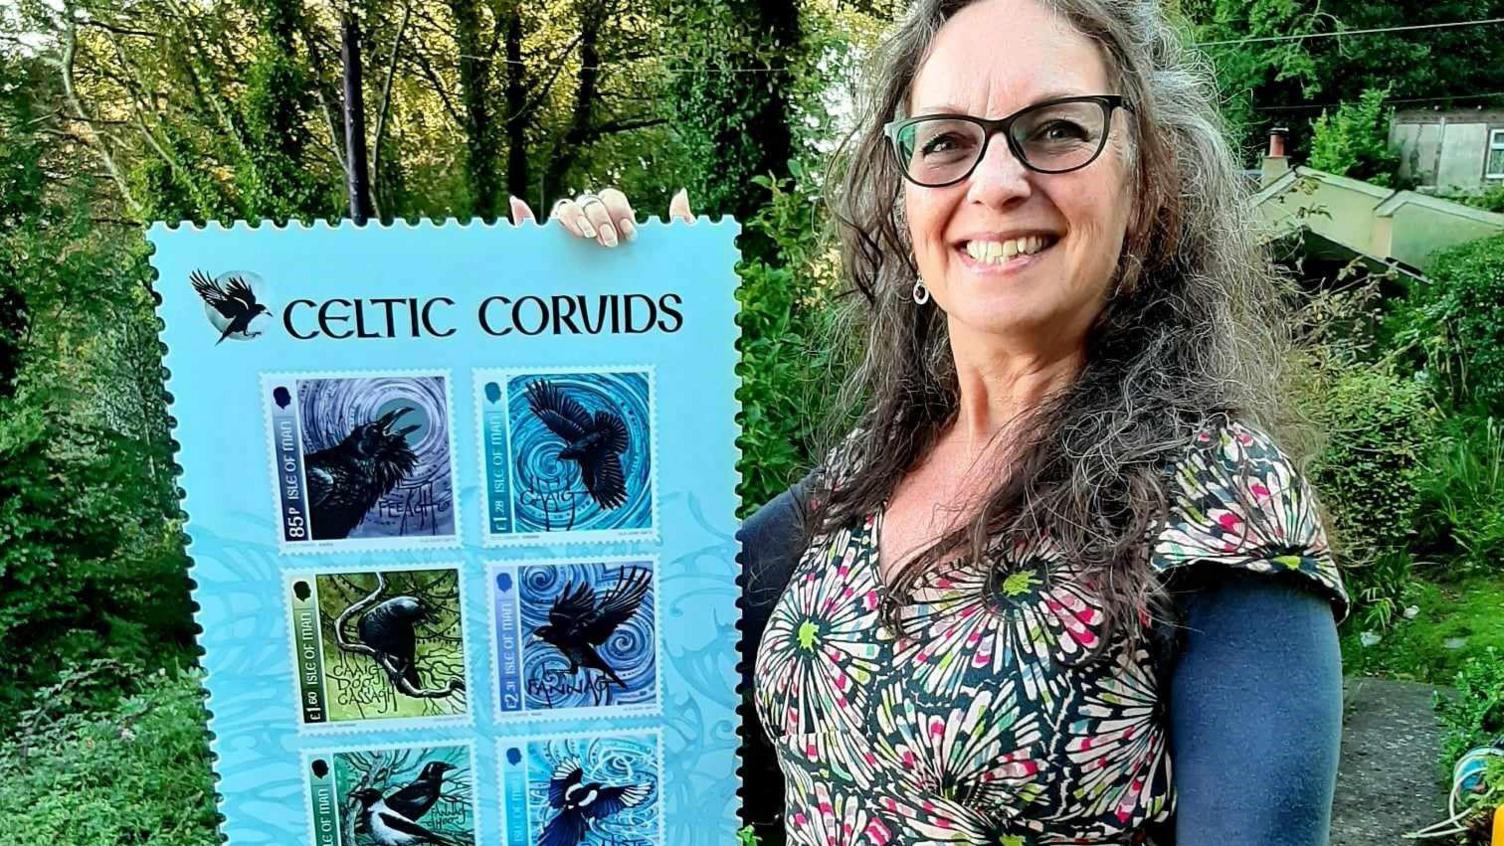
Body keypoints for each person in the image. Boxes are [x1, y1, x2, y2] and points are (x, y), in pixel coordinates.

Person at [509, 0, 1347, 842]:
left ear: (1148, 184)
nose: (996, 181)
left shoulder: (1223, 498)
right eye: (946, 140)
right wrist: (598, 342)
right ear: (904, 212)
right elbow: (647, 647)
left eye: (1055, 130)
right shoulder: (866, 473)